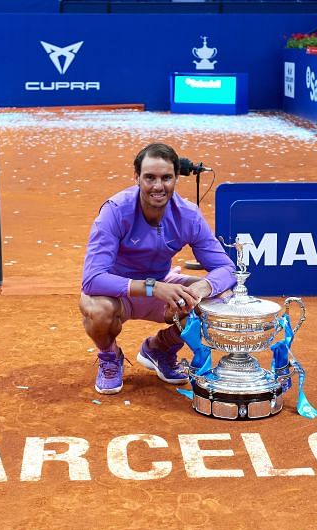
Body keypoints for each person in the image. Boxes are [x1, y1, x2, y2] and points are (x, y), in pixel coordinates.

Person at [79, 143, 236, 394]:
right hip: (119, 294)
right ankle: (110, 356)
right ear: (137, 178)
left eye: (166, 178)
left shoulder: (188, 216)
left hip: (164, 291)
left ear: (175, 178)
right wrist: (152, 288)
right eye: (149, 177)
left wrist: (201, 287)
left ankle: (160, 348)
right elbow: (92, 280)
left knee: (220, 299)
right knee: (96, 310)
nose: (158, 186)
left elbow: (227, 270)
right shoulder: (115, 211)